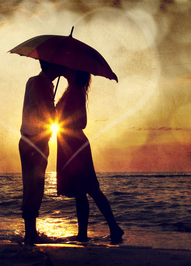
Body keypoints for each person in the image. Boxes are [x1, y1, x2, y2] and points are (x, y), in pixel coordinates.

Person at [56, 68, 124, 243]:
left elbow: (82, 121)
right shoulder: (70, 90)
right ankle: (84, 234)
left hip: (75, 146)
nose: (64, 68)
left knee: (91, 189)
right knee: (81, 192)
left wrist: (62, 118)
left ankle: (113, 227)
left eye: (68, 68)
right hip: (69, 145)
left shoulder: (76, 91)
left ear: (75, 72)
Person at [19, 59, 65, 245]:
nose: (61, 67)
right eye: (58, 64)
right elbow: (46, 115)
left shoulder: (33, 81)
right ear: (51, 65)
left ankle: (30, 232)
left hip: (26, 140)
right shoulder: (42, 85)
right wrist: (54, 108)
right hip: (35, 141)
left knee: (31, 186)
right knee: (35, 187)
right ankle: (30, 234)